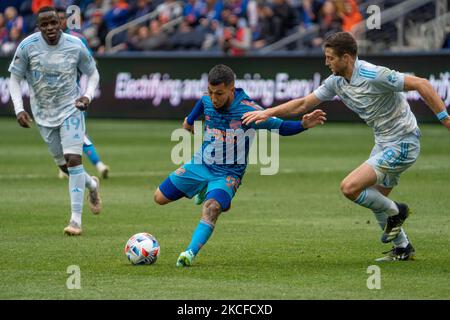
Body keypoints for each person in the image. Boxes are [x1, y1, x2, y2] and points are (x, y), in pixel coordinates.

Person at [242, 32, 450, 262]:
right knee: (375, 200)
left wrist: (446, 119)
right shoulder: (336, 82)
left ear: (347, 58)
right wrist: (266, 112)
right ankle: (403, 248)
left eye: (331, 58)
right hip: (383, 142)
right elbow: (302, 103)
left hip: (404, 142)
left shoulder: (374, 74)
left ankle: (397, 212)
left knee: (350, 188)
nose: (326, 62)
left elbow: (422, 84)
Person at [153, 64, 327, 267]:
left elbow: (281, 127)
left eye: (219, 93)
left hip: (227, 173)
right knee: (159, 198)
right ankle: (203, 187)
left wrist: (303, 125)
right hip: (200, 164)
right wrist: (189, 122)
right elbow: (201, 103)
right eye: (211, 92)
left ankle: (189, 253)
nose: (214, 98)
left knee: (212, 208)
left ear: (231, 89)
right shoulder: (207, 98)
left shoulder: (247, 111)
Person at [8, 6, 103, 236]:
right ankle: (92, 184)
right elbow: (14, 78)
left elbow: (93, 73)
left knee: (73, 160)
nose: (50, 28)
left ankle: (76, 221)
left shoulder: (75, 45)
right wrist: (19, 109)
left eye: (54, 23)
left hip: (71, 109)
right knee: (64, 166)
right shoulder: (27, 46)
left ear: (61, 23)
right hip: (43, 114)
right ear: (39, 27)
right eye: (45, 24)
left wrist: (87, 96)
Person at [56, 7, 110, 179]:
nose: (59, 22)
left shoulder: (77, 40)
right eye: (55, 19)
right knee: (67, 133)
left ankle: (97, 165)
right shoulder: (42, 41)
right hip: (52, 98)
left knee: (76, 133)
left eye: (62, 19)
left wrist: (87, 92)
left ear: (66, 21)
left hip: (72, 95)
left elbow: (91, 65)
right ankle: (69, 165)